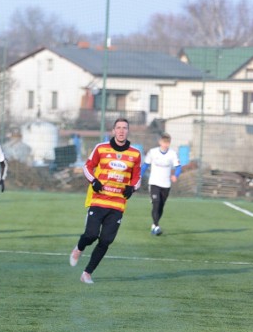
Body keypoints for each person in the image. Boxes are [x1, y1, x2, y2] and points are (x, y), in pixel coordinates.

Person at [69, 118, 142, 284]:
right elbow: (87, 167)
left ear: (128, 131)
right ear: (113, 131)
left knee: (106, 240)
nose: (122, 131)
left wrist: (132, 187)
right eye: (119, 128)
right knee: (91, 235)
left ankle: (87, 273)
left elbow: (137, 177)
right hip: (99, 200)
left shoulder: (135, 154)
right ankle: (79, 248)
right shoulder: (101, 148)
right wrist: (94, 181)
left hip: (118, 204)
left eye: (124, 128)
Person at [142, 132, 180, 236]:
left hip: (166, 184)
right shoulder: (153, 152)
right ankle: (156, 225)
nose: (165, 144)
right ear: (160, 142)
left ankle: (154, 226)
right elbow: (145, 165)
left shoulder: (172, 153)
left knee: (161, 206)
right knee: (156, 203)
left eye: (167, 143)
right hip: (154, 183)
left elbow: (178, 167)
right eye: (164, 142)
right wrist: (139, 175)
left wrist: (175, 175)